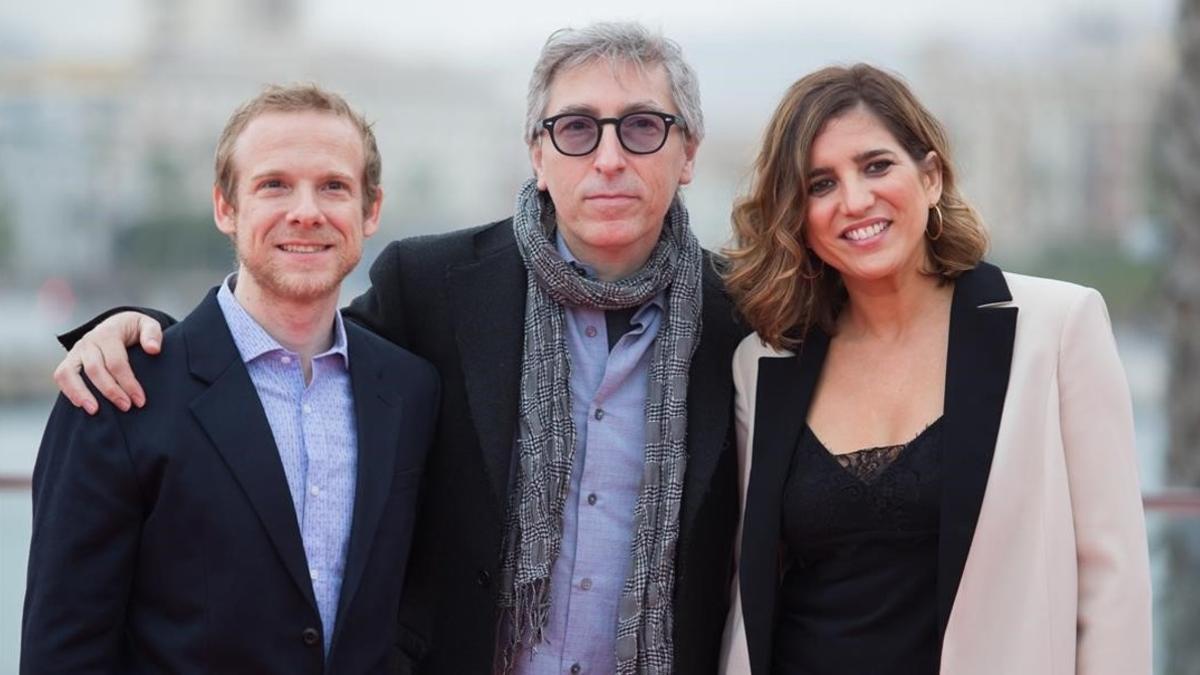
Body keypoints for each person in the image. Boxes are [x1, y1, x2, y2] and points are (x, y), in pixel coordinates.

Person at [50, 23, 744, 674]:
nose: (609, 157)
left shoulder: (746, 316)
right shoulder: (433, 287)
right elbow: (284, 335)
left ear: (689, 153)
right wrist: (132, 328)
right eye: (577, 129)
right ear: (537, 153)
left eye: (644, 127)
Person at [717, 63, 1152, 674]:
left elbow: (1113, 579)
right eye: (820, 184)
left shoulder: (1058, 327)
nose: (855, 200)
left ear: (930, 176)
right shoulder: (762, 365)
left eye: (876, 165)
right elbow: (749, 588)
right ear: (797, 217)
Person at [21, 84, 440, 674]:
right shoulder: (118, 393)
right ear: (225, 207)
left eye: (333, 187)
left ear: (370, 211)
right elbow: (63, 653)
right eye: (274, 185)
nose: (306, 211)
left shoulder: (410, 391)